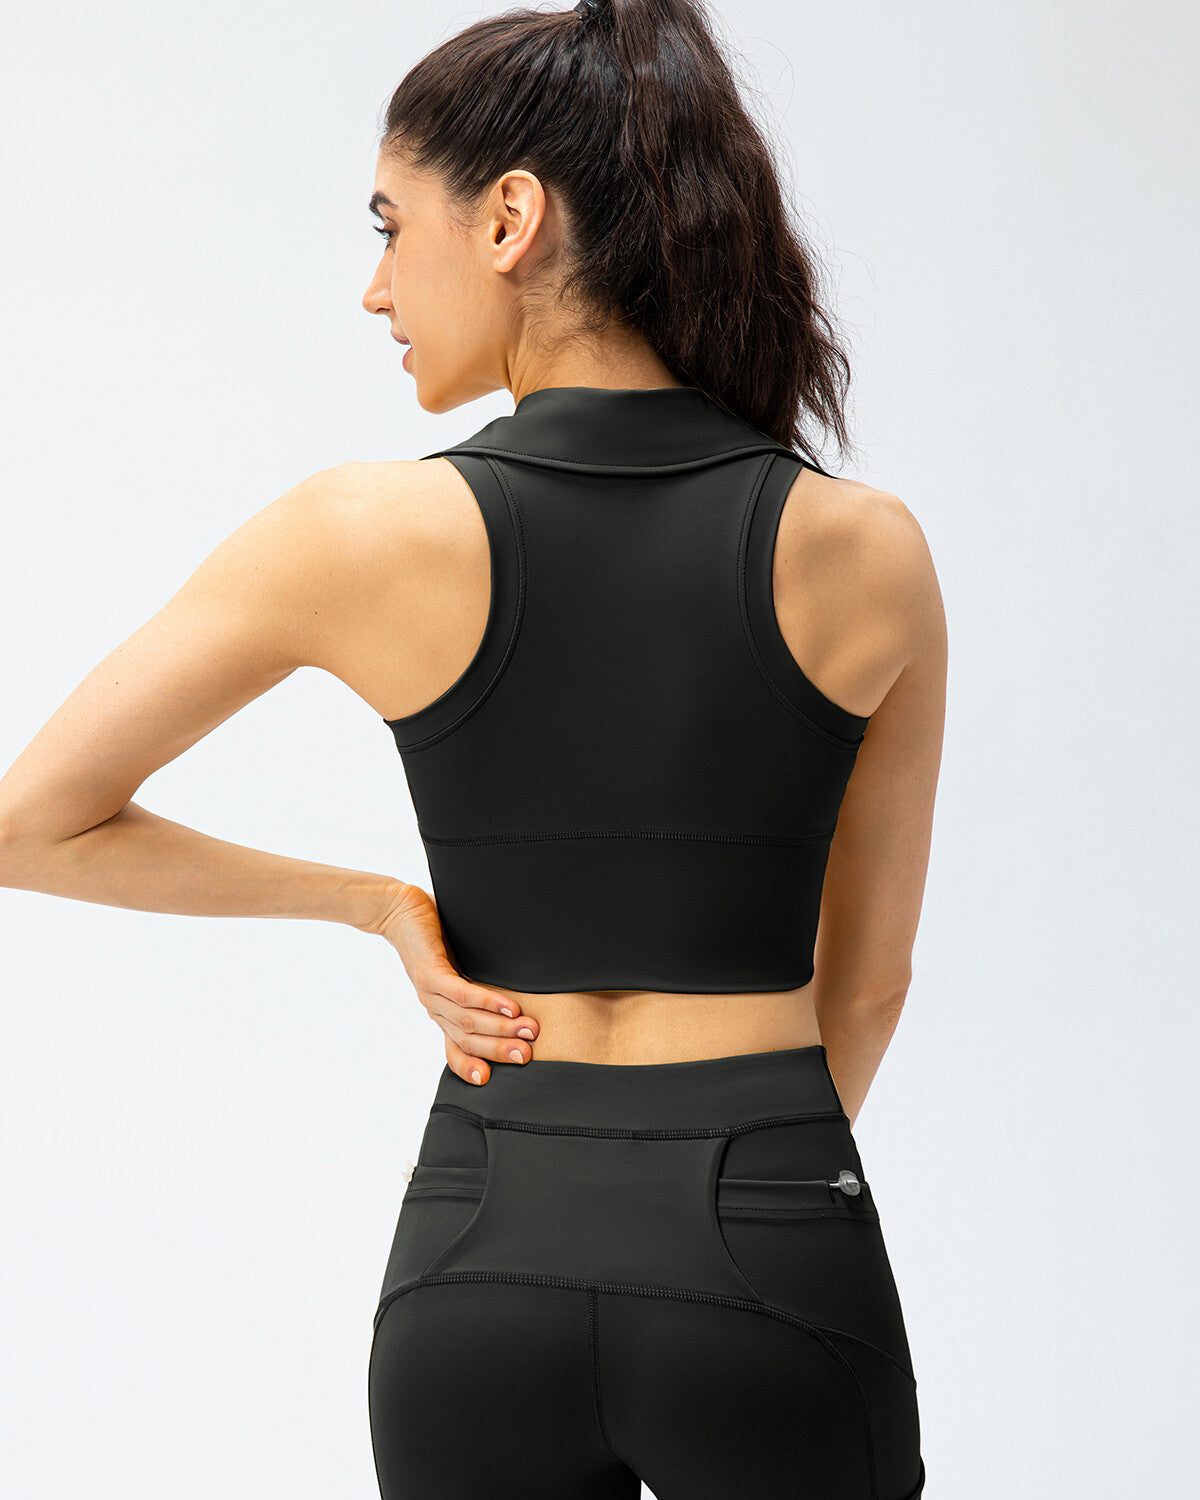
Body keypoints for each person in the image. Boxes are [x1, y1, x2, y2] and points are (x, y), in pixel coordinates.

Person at [0, 0, 946, 1495]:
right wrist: (745, 1198)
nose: (376, 288)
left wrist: (380, 906)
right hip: (763, 1229)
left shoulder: (353, 532)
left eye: (391, 225)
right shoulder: (866, 549)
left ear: (509, 218)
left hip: (479, 1243)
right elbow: (872, 985)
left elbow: (30, 824)